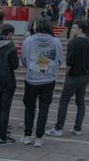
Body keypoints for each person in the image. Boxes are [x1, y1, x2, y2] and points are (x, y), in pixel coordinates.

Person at [45, 21, 89, 137]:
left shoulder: (73, 42)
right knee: (80, 102)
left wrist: (66, 74)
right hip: (85, 76)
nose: (72, 30)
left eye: (74, 28)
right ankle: (77, 128)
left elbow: (69, 62)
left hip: (74, 76)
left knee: (64, 101)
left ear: (81, 30)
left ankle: (58, 128)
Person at [21, 19, 63, 147]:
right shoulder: (56, 42)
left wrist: (29, 67)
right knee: (44, 109)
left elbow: (23, 59)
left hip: (31, 79)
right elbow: (60, 60)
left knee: (29, 107)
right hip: (48, 80)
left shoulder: (28, 40)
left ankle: (27, 135)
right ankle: (39, 137)